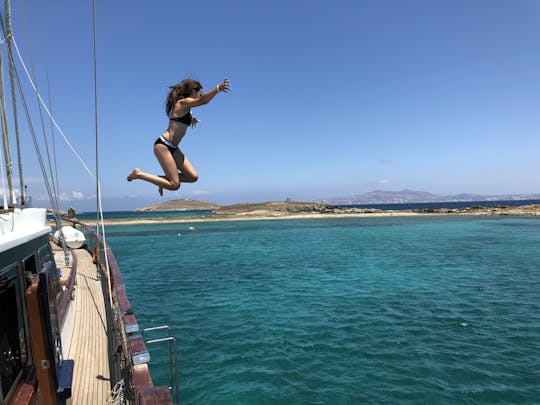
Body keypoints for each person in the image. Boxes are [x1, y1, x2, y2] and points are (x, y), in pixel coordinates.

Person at [127, 77, 230, 195]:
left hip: (174, 148)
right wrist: (218, 88)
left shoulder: (187, 108)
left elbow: (181, 118)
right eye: (199, 93)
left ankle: (162, 180)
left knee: (193, 177)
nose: (200, 96)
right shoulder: (182, 102)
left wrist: (192, 119)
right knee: (174, 185)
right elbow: (203, 101)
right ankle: (139, 174)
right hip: (163, 145)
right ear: (192, 91)